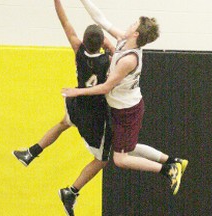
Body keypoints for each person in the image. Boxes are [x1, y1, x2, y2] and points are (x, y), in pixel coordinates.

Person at [61, 0, 189, 198]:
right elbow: (99, 18)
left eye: (133, 24)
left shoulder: (129, 59)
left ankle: (168, 170)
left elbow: (106, 87)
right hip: (122, 107)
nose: (129, 25)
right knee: (127, 146)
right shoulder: (123, 40)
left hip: (127, 111)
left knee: (121, 159)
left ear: (136, 34)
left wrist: (76, 92)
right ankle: (174, 160)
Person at [12, 0, 114, 215]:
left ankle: (31, 152)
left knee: (62, 124)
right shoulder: (109, 60)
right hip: (94, 116)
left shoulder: (78, 50)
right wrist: (108, 44)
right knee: (103, 160)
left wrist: (57, 1)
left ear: (84, 42)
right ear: (102, 42)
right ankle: (71, 191)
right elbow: (115, 52)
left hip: (77, 107)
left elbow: (65, 21)